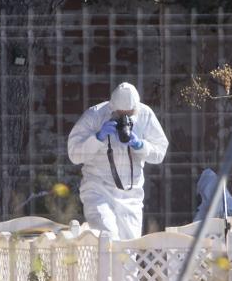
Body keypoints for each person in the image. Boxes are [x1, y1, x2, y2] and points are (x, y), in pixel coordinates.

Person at [68, 82, 168, 240]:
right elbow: (74, 154)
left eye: (129, 114)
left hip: (131, 195)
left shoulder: (145, 115)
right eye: (121, 115)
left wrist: (141, 145)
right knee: (108, 238)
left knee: (129, 250)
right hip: (98, 190)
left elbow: (160, 152)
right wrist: (97, 138)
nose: (125, 119)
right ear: (112, 108)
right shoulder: (95, 115)